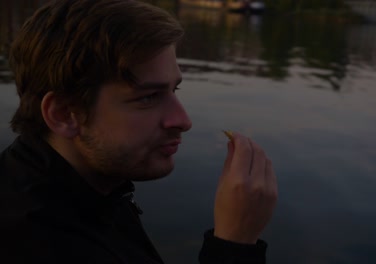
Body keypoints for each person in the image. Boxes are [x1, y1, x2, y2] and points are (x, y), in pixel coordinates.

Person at [0, 0, 278, 263]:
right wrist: (235, 243)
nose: (183, 120)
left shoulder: (82, 182)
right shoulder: (35, 244)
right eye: (148, 97)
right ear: (64, 114)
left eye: (174, 89)